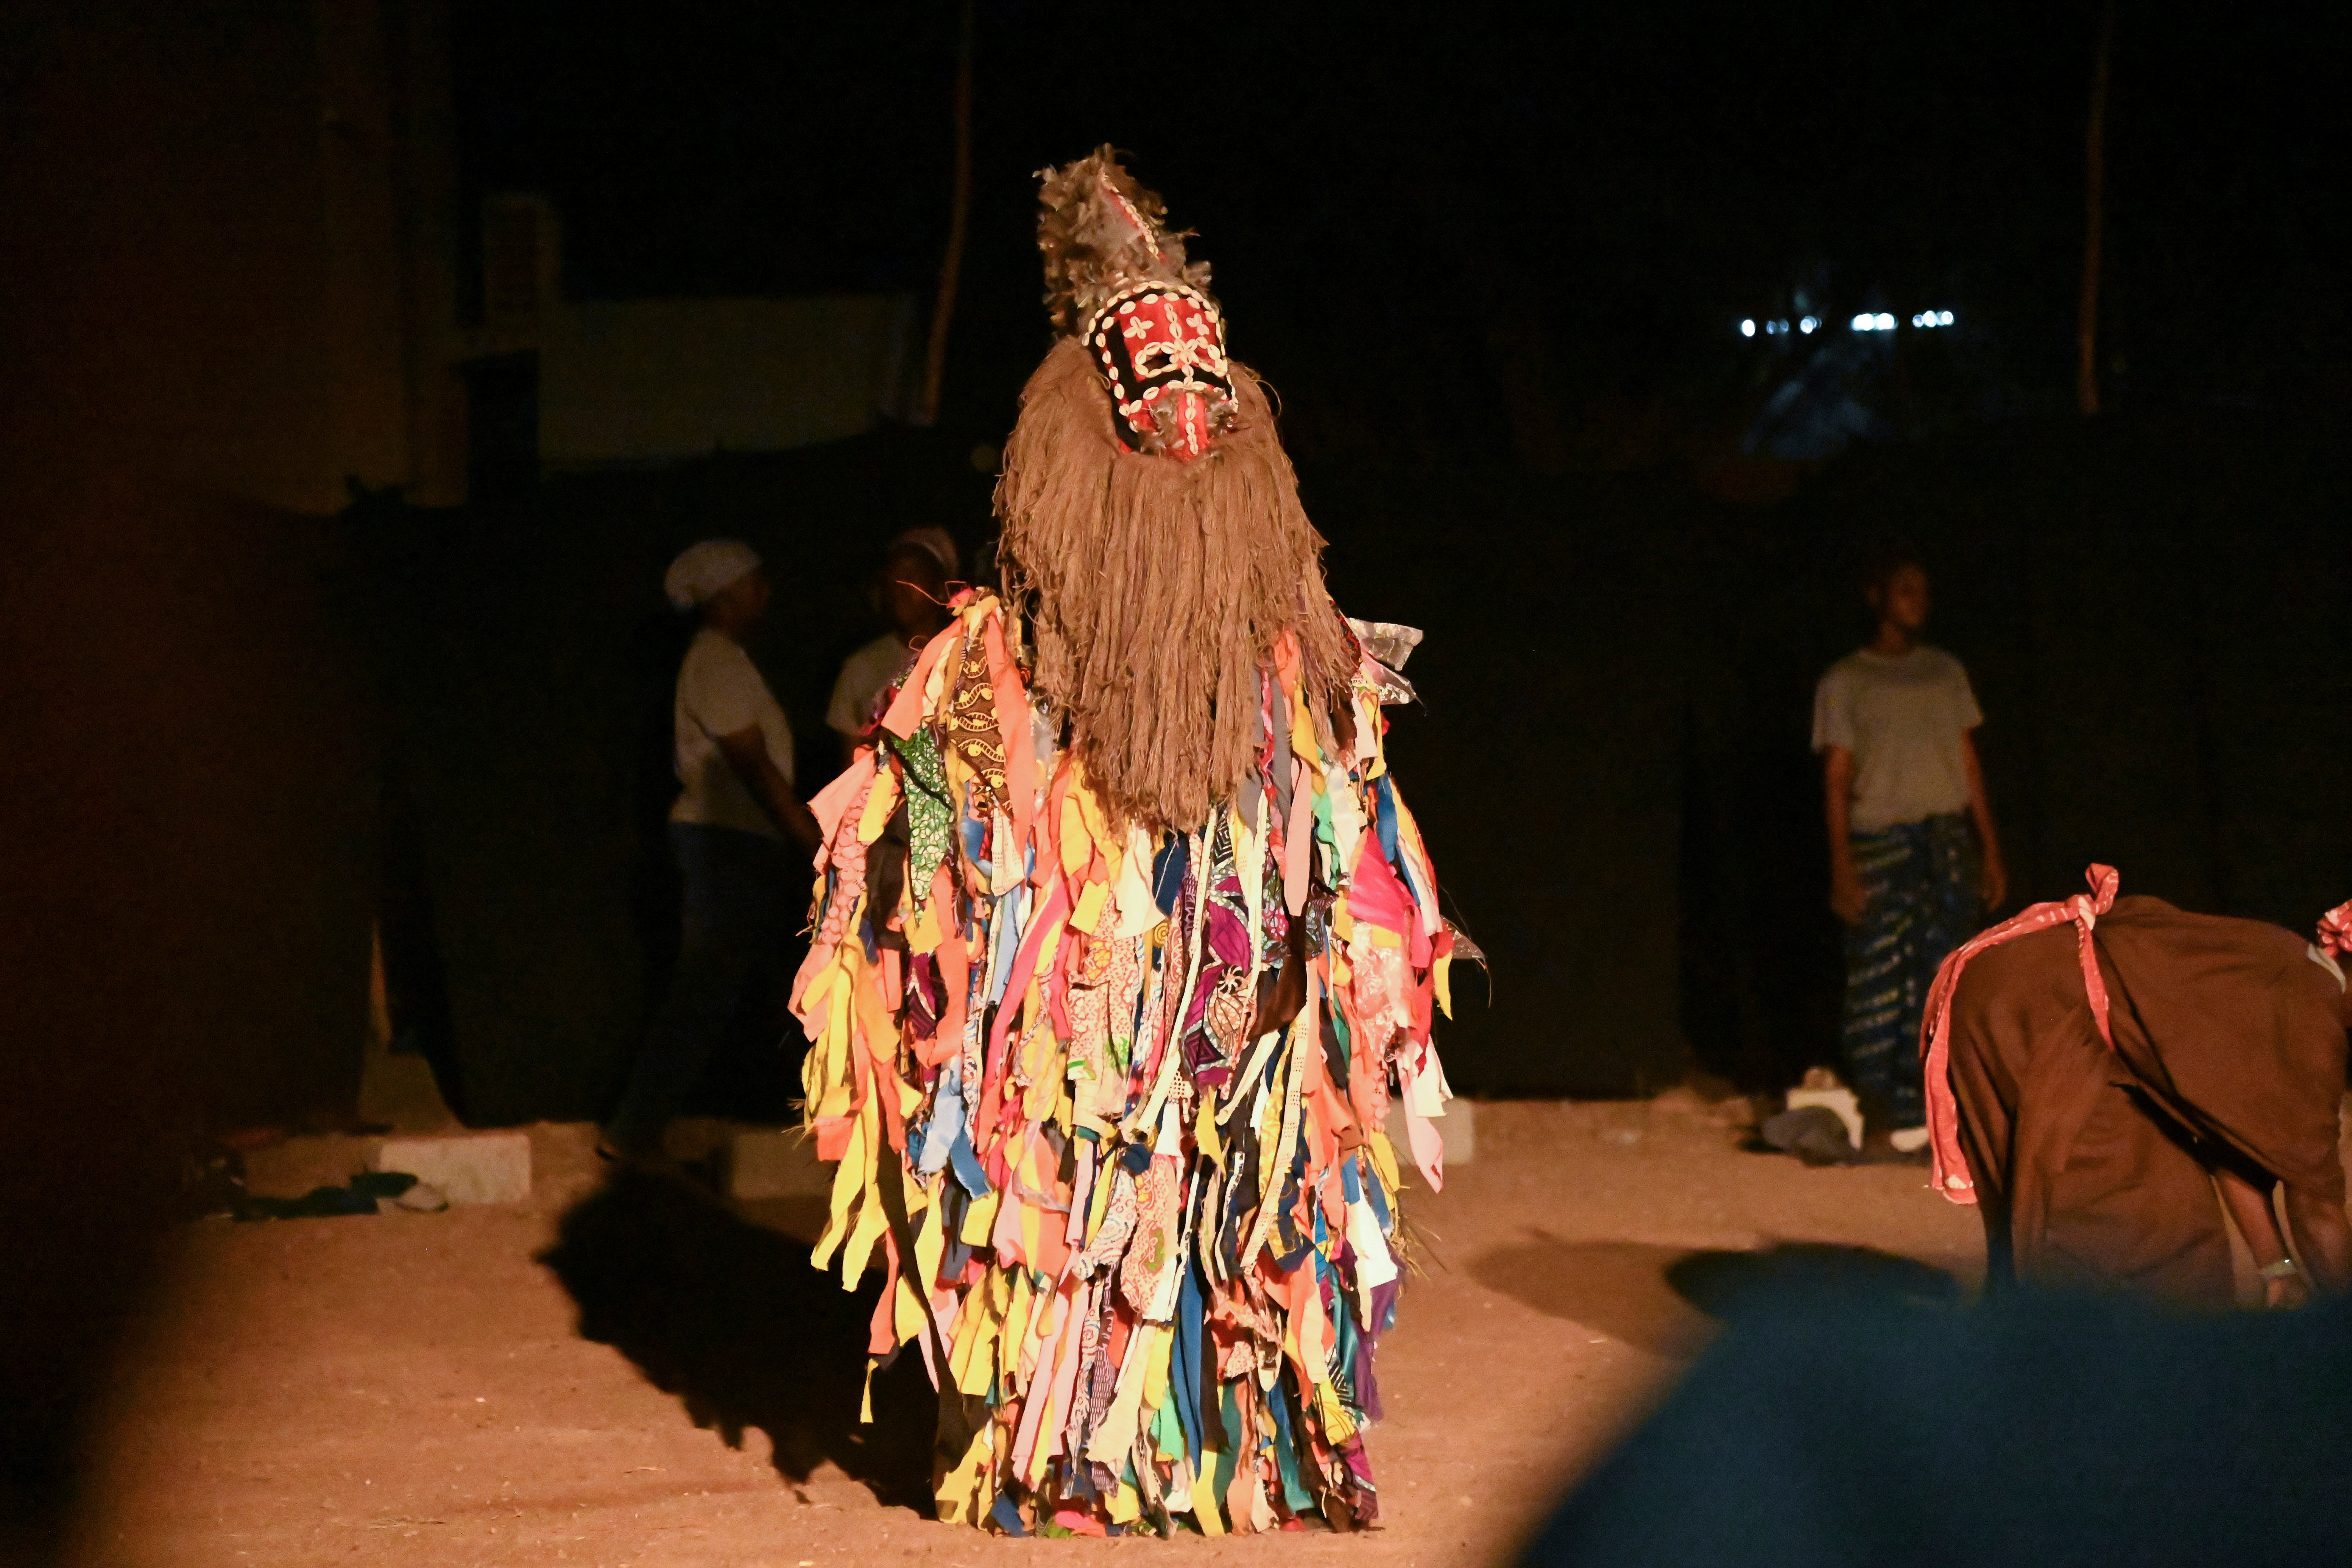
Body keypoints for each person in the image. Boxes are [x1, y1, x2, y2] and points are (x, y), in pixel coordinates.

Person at [789, 150, 1463, 1534]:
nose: (1182, 432)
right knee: (1063, 1193)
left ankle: (1243, 1440)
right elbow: (925, 860)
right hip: (1066, 1012)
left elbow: (1344, 846)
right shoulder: (995, 659)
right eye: (1151, 404)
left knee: (1236, 1196)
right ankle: (1051, 1450)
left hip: (1238, 998)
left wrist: (1336, 965)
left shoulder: (1295, 657)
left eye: (1204, 405)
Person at [1920, 866, 2352, 1312]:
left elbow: (2230, 1135)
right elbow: (2317, 1210)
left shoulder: (2288, 960)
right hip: (2043, 1004)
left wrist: (2276, 1269)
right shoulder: (2313, 1022)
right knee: (2139, 1244)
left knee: (2155, 1233)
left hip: (2025, 992)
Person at [602, 540, 821, 1165]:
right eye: (754, 584)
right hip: (723, 842)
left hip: (737, 841)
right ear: (725, 595)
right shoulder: (717, 662)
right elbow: (753, 767)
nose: (765, 595)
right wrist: (811, 839)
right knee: (705, 990)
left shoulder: (725, 660)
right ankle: (632, 1129)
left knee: (738, 988)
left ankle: (670, 1126)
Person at [1813, 548, 2005, 1149]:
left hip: (1944, 842)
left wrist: (1990, 850)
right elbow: (1838, 778)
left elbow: (1967, 762)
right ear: (1877, 596)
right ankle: (1878, 1111)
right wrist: (1841, 864)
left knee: (1945, 977)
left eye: (1924, 589)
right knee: (1876, 982)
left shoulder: (1945, 671)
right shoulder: (1848, 679)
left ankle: (1936, 1119)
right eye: (1905, 589)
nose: (1917, 600)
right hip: (1883, 843)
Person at [823, 528, 957, 760]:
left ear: (940, 589)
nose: (899, 586)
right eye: (893, 576)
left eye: (912, 574)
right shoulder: (860, 668)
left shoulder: (969, 658)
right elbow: (849, 772)